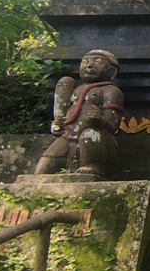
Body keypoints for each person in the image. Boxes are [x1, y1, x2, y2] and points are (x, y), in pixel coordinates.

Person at [34, 49, 124, 177]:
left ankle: (93, 165)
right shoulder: (77, 89)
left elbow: (113, 125)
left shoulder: (111, 91)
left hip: (96, 137)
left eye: (97, 62)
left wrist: (100, 120)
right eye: (85, 62)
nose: (89, 66)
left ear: (111, 70)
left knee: (90, 135)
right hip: (68, 135)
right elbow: (66, 115)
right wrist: (58, 124)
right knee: (44, 166)